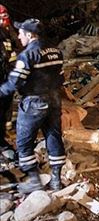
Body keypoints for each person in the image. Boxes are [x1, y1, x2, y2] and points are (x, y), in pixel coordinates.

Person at [0, 19, 65, 193]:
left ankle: (34, 180)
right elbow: (61, 77)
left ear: (30, 35)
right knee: (53, 136)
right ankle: (56, 180)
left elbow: (15, 82)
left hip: (34, 102)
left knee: (24, 142)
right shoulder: (55, 51)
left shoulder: (28, 55)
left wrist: (1, 91)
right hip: (55, 100)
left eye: (21, 33)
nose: (19, 36)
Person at [0, 6, 20, 155]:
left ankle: (4, 132)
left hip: (7, 75)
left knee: (6, 106)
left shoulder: (7, 31)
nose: (4, 20)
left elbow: (16, 47)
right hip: (3, 75)